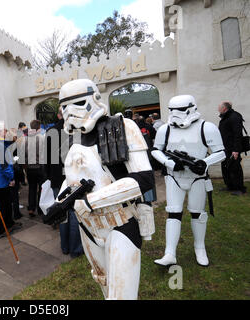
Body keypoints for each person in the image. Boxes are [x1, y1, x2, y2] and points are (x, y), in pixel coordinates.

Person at [49, 78, 156, 300]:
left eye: (77, 103)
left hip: (120, 222)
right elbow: (72, 179)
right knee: (104, 283)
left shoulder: (123, 126)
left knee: (121, 295)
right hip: (87, 227)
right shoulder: (72, 138)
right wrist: (60, 202)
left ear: (95, 99)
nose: (70, 112)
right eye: (64, 106)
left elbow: (144, 179)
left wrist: (91, 201)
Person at [152, 95, 225, 267]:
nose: (175, 115)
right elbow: (156, 150)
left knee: (197, 213)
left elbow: (221, 152)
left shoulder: (207, 128)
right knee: (173, 212)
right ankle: (170, 253)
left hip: (197, 178)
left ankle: (200, 248)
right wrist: (169, 162)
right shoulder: (165, 129)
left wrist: (203, 163)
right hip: (174, 177)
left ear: (191, 108)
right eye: (172, 111)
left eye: (180, 110)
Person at [45, 110, 83, 258]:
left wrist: (48, 175)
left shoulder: (51, 131)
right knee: (72, 212)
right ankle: (75, 248)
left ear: (58, 116)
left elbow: (46, 158)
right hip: (73, 176)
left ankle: (66, 246)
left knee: (62, 212)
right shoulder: (76, 131)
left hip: (58, 177)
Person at [0, 123, 22, 239]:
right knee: (2, 207)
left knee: (6, 205)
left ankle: (9, 224)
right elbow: (5, 167)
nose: (6, 133)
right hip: (1, 181)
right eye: (5, 131)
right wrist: (11, 178)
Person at [218, 101, 247, 195]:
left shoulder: (234, 117)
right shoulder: (226, 117)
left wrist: (236, 150)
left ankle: (240, 189)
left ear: (225, 108)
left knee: (235, 168)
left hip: (232, 148)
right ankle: (230, 186)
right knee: (226, 167)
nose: (218, 109)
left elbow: (237, 135)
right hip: (225, 148)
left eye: (219, 107)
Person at [24, 119, 46, 217]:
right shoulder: (42, 138)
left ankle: (31, 209)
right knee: (41, 188)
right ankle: (40, 209)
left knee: (32, 188)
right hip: (40, 167)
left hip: (30, 167)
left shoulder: (26, 139)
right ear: (39, 127)